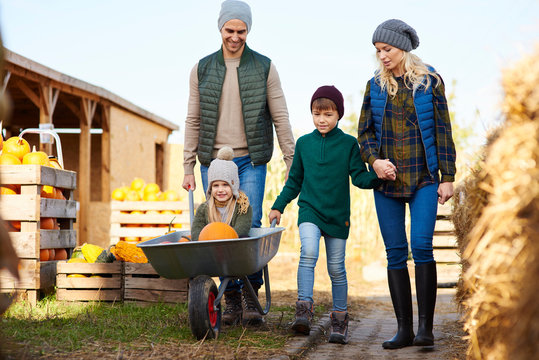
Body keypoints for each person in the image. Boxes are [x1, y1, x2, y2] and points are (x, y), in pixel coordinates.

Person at [182, 0, 295, 324]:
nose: (235, 37)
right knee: (217, 228)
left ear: (249, 30)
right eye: (230, 30)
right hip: (213, 162)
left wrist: (290, 160)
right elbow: (192, 119)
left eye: (241, 31)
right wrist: (187, 166)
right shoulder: (203, 68)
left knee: (248, 223)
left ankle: (250, 292)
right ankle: (230, 299)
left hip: (251, 160)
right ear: (220, 29)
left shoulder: (264, 67)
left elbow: (280, 116)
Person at [357, 19, 457, 349]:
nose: (381, 56)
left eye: (386, 50)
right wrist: (375, 161)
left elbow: (443, 130)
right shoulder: (375, 86)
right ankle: (404, 330)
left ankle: (426, 330)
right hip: (387, 183)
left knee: (421, 246)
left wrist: (448, 177)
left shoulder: (429, 82)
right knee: (395, 254)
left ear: (403, 47)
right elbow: (365, 133)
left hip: (424, 178)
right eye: (378, 51)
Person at [269, 86, 386, 344]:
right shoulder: (304, 144)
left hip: (337, 214)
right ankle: (303, 311)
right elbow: (294, 181)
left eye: (328, 114)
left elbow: (358, 177)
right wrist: (279, 205)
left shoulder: (348, 144)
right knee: (308, 253)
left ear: (338, 115)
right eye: (316, 113)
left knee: (336, 268)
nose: (322, 119)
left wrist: (378, 178)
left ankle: (340, 320)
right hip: (310, 209)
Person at [190, 147, 253, 325]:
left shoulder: (242, 206)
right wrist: (201, 240)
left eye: (225, 185)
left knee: (240, 262)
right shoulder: (205, 208)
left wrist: (227, 238)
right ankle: (229, 300)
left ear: (233, 184)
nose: (220, 190)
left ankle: (248, 298)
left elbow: (243, 227)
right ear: (210, 187)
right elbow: (197, 229)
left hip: (236, 250)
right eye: (216, 185)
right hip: (212, 251)